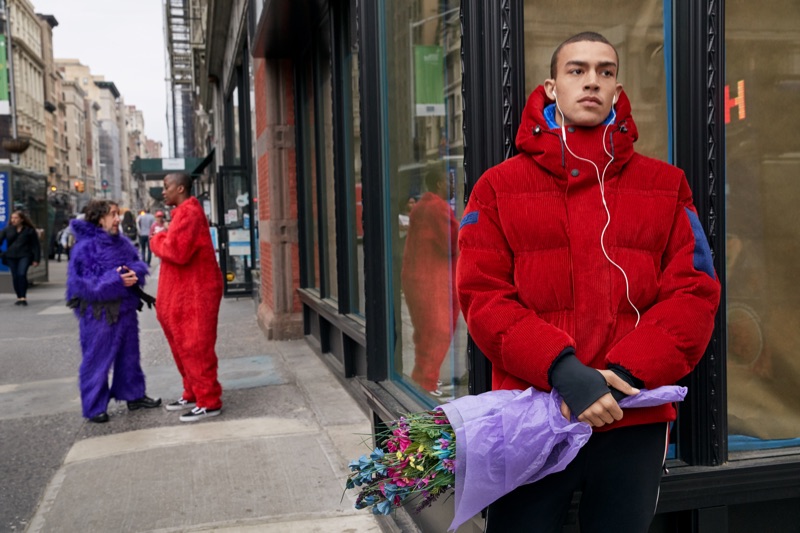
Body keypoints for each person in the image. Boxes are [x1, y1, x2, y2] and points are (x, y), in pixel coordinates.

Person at [456, 32, 721, 532]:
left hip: (633, 418)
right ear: (551, 88)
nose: (591, 81)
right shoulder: (497, 187)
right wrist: (562, 368)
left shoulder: (667, 185)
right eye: (576, 70)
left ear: (618, 92)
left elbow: (696, 290)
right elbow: (482, 295)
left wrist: (631, 372)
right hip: (535, 413)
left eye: (604, 72)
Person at [66, 199, 161, 423]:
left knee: (129, 357)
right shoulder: (85, 248)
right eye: (113, 214)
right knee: (96, 361)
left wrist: (132, 274)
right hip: (98, 315)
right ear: (100, 219)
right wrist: (117, 279)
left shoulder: (122, 243)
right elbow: (82, 285)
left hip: (126, 311)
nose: (118, 218)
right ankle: (94, 406)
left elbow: (137, 263)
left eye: (117, 214)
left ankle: (134, 395)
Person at [150, 173, 223, 422]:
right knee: (184, 344)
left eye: (166, 186)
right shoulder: (183, 212)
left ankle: (209, 400)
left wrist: (156, 239)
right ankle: (193, 392)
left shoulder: (189, 212)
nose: (163, 191)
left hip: (197, 292)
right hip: (187, 292)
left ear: (180, 188)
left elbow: (176, 251)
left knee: (195, 345)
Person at [401, 168, 460, 397]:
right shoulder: (436, 207)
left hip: (418, 280)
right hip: (431, 282)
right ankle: (426, 384)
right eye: (449, 181)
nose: (452, 186)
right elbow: (453, 242)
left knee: (425, 335)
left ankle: (424, 380)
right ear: (438, 184)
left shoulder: (422, 207)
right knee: (438, 332)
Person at [0, 210, 41, 306]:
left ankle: (23, 297)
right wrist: (1, 254)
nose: (13, 220)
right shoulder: (7, 230)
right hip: (11, 256)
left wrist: (36, 259)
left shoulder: (29, 230)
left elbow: (36, 246)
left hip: (24, 256)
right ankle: (19, 297)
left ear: (22, 219)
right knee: (15, 276)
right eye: (12, 218)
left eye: (16, 218)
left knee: (22, 274)